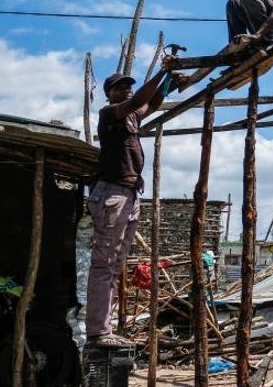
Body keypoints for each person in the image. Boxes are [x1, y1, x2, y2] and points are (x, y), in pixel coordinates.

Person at [85, 60, 176, 347]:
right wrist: (162, 70)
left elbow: (152, 102)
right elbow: (140, 100)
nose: (126, 89)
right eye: (119, 86)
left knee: (115, 265)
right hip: (111, 194)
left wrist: (169, 80)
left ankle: (104, 329)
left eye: (128, 85)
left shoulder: (132, 118)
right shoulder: (109, 113)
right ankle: (98, 331)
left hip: (127, 194)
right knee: (104, 264)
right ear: (109, 93)